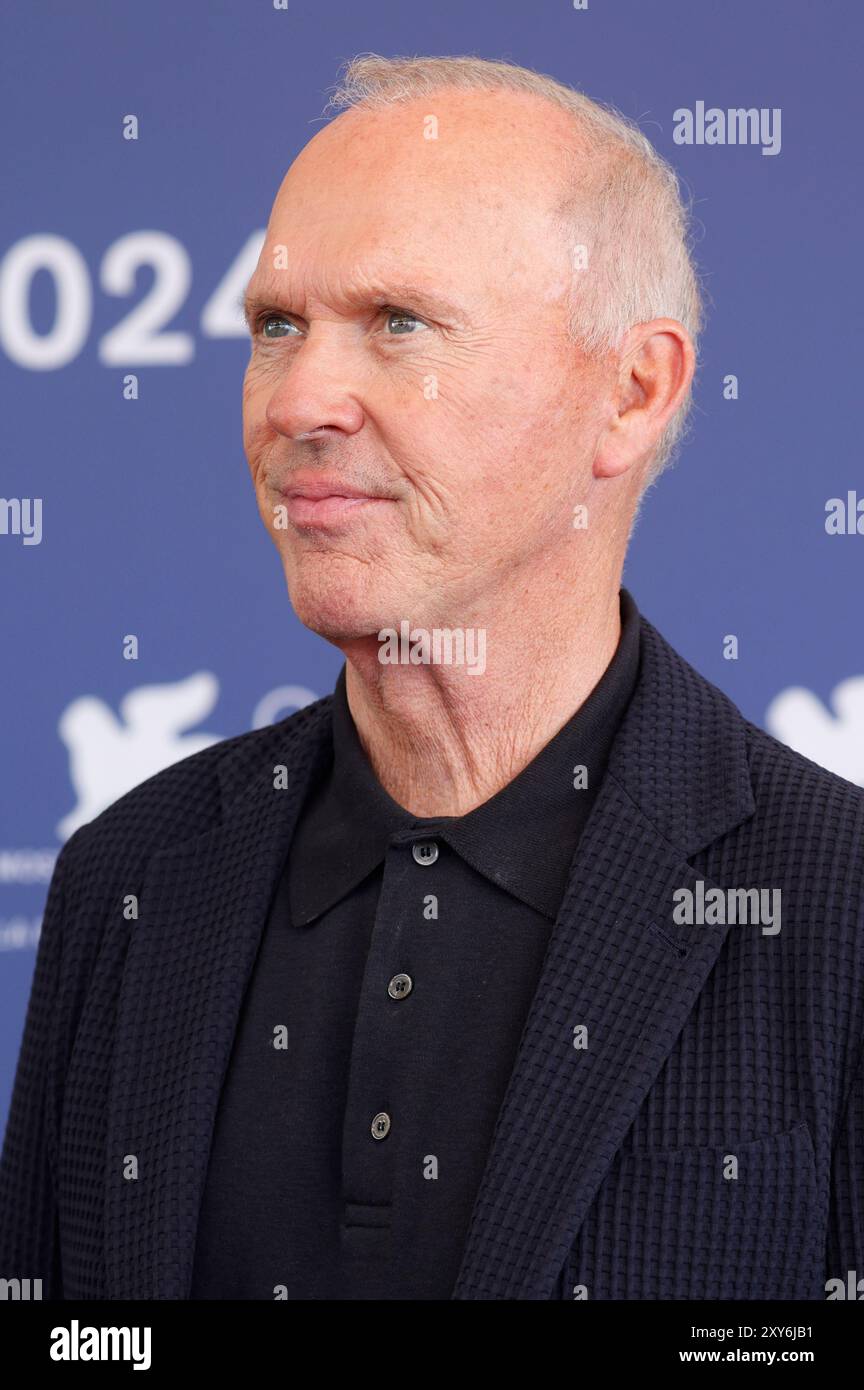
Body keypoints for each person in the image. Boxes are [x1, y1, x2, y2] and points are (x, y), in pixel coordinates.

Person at [2, 54, 862, 1301]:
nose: (298, 399)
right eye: (276, 327)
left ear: (632, 390)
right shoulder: (129, 879)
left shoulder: (831, 905)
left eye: (400, 324)